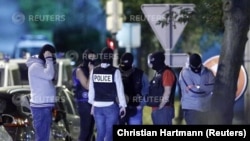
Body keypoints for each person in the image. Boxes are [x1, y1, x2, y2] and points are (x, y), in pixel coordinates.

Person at [88, 47, 127, 141]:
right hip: (110, 106)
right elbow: (120, 90)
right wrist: (123, 106)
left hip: (97, 106)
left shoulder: (94, 71)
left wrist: (92, 104)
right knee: (109, 135)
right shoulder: (115, 71)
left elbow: (91, 89)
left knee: (100, 134)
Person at [26, 44, 56, 141]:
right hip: (40, 107)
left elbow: (52, 76)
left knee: (44, 136)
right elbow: (50, 75)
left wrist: (50, 62)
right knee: (42, 137)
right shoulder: (35, 66)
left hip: (45, 106)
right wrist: (49, 59)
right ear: (45, 54)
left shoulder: (42, 66)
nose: (53, 57)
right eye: (51, 55)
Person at [178, 53, 215, 125]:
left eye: (198, 67)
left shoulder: (208, 72)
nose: (196, 69)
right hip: (192, 109)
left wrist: (197, 86)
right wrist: (206, 89)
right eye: (193, 67)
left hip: (205, 108)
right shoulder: (185, 73)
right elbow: (192, 92)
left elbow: (213, 87)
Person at [118, 52, 149, 125]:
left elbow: (146, 91)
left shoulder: (140, 74)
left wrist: (140, 105)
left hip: (135, 108)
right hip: (119, 108)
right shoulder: (116, 72)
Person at [146, 51, 177, 125]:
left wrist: (161, 106)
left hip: (164, 109)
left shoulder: (167, 73)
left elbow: (167, 91)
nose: (152, 64)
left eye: (153, 62)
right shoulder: (158, 73)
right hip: (157, 109)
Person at [72, 49, 95, 141]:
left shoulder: (92, 69)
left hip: (92, 102)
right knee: (85, 130)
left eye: (94, 58)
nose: (92, 60)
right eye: (90, 58)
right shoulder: (79, 70)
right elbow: (87, 85)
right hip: (84, 103)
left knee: (90, 130)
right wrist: (91, 72)